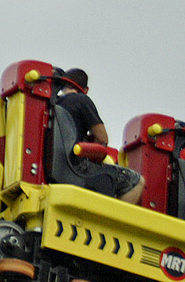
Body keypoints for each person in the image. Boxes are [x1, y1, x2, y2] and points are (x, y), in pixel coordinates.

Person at [53, 68, 144, 205]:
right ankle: (114, 222)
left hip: (55, 166)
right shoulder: (81, 100)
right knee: (135, 180)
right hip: (75, 166)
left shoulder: (54, 103)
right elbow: (102, 139)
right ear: (86, 89)